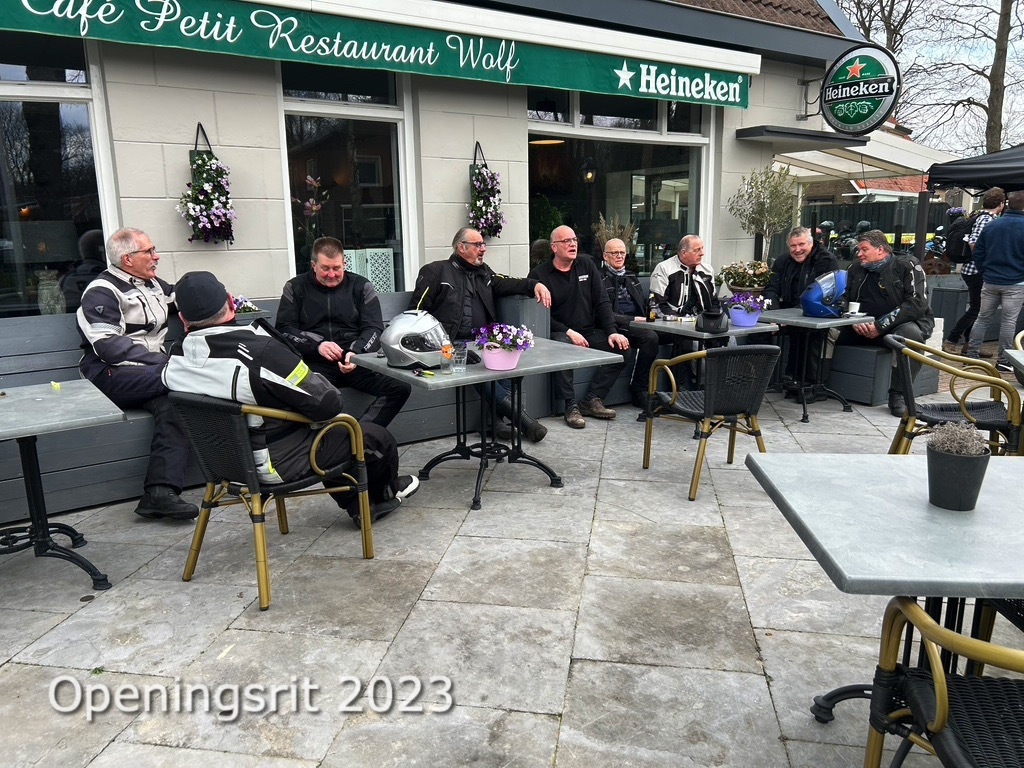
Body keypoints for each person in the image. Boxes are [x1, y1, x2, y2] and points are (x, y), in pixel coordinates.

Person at [163, 271, 418, 527]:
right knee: (370, 436)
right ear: (231, 302)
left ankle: (359, 506)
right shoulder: (261, 352)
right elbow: (329, 404)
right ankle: (383, 494)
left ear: (183, 319)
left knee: (336, 438)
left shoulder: (175, 358)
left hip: (222, 464)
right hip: (275, 464)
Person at [76, 228, 197, 521]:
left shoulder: (153, 285)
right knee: (184, 380)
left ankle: (159, 493)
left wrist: (219, 302)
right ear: (128, 259)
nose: (157, 257)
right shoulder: (102, 291)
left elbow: (184, 297)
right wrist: (165, 365)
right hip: (110, 374)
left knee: (175, 405)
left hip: (150, 376)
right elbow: (109, 346)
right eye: (149, 251)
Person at [410, 227, 552, 442]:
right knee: (478, 370)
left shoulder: (484, 273)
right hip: (451, 345)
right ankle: (525, 422)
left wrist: (535, 284)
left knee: (512, 367)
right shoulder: (436, 271)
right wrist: (443, 347)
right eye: (478, 245)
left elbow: (509, 282)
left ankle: (492, 422)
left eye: (483, 244)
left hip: (482, 342)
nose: (483, 249)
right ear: (461, 247)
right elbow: (416, 314)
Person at [275, 236, 410, 428]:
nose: (331, 274)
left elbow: (374, 328)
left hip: (356, 361)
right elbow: (284, 330)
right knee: (301, 395)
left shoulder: (361, 286)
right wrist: (318, 345)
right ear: (313, 265)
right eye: (325, 268)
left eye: (336, 268)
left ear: (344, 264)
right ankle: (328, 440)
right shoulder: (295, 287)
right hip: (314, 363)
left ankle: (360, 436)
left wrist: (355, 353)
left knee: (399, 388)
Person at [528, 225, 629, 429]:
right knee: (561, 346)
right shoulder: (540, 275)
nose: (572, 244)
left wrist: (612, 331)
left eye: (574, 240)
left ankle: (592, 399)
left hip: (588, 331)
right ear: (554, 247)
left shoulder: (586, 265)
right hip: (559, 333)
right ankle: (570, 406)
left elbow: (602, 301)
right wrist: (568, 331)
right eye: (566, 241)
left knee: (622, 349)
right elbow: (542, 316)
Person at [839, 230, 934, 416]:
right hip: (860, 326)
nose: (859, 254)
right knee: (823, 330)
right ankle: (816, 384)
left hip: (896, 326)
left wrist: (880, 326)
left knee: (911, 337)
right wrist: (852, 319)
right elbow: (844, 298)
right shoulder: (855, 268)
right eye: (859, 250)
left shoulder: (907, 265)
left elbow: (916, 304)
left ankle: (899, 394)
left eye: (864, 249)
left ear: (880, 249)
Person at [763, 226, 840, 386]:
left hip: (814, 313)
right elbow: (771, 289)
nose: (797, 250)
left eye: (801, 244)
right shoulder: (783, 261)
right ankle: (761, 380)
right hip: (783, 312)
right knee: (757, 329)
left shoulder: (826, 261)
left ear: (811, 243)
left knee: (807, 331)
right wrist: (775, 315)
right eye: (793, 245)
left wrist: (790, 317)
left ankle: (806, 383)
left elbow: (826, 294)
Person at [964, 190, 1024, 371]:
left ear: (1007, 205)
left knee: (982, 318)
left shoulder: (992, 225)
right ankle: (1003, 361)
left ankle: (971, 357)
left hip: (990, 280)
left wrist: (985, 272)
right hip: (1016, 282)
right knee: (1008, 322)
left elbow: (978, 252)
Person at [597, 238, 660, 407]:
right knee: (650, 337)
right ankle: (639, 390)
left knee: (675, 336)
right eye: (614, 253)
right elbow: (602, 312)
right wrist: (632, 320)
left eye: (622, 253)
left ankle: (677, 389)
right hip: (617, 325)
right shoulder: (599, 279)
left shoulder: (631, 277)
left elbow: (644, 303)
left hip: (639, 322)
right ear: (605, 256)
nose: (619, 256)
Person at [945, 192, 1005, 356]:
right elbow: (974, 242)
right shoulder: (986, 219)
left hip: (974, 270)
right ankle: (951, 340)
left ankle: (970, 344)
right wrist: (984, 265)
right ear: (1000, 204)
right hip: (976, 270)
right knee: (976, 309)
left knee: (977, 309)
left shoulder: (981, 216)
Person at [649, 234, 716, 317]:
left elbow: (714, 302)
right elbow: (658, 305)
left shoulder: (707, 270)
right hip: (672, 320)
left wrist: (714, 318)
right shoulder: (664, 269)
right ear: (684, 253)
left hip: (702, 319)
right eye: (696, 250)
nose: (702, 253)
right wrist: (678, 320)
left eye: (702, 248)